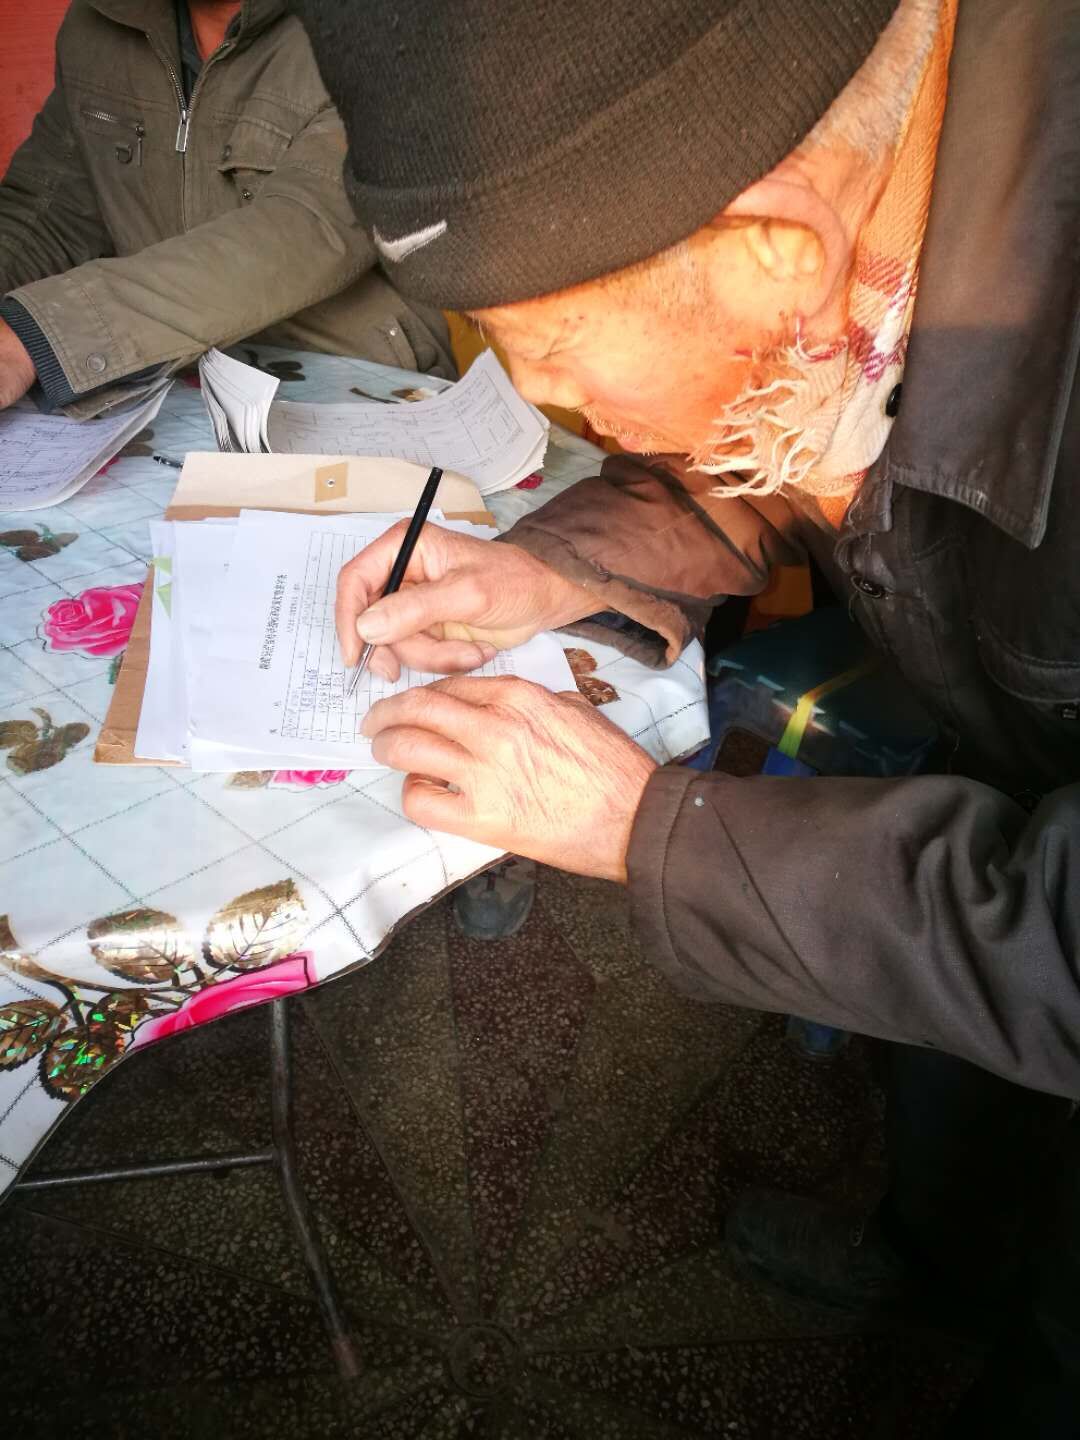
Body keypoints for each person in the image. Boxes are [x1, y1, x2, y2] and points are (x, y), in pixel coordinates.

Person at [293, 0, 1080, 1432]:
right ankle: (935, 1264)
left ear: (778, 247)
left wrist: (654, 831)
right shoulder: (866, 232)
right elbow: (768, 440)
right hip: (1008, 776)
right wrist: (557, 564)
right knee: (965, 1087)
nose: (546, 404)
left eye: (548, 347)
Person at [0, 0, 455, 418]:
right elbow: (45, 213)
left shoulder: (381, 27)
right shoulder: (100, 23)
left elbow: (305, 230)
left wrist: (42, 334)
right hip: (173, 396)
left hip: (362, 397)